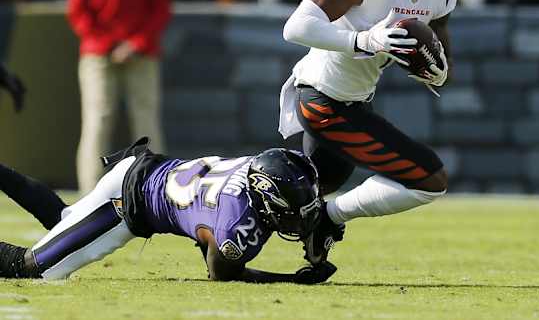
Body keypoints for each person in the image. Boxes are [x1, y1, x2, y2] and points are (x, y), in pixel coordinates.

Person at [278, 0, 457, 264]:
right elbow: (295, 27)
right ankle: (328, 218)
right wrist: (364, 41)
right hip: (323, 97)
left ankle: (219, 198)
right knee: (429, 179)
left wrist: (437, 71)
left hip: (355, 100)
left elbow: (439, 48)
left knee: (305, 188)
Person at [0, 137, 337, 284]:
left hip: (143, 167)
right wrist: (292, 279)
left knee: (64, 220)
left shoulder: (262, 166)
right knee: (31, 268)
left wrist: (316, 225)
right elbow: (222, 273)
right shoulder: (235, 226)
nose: (300, 216)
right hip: (127, 204)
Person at [67, 0, 171, 194]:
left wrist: (108, 42)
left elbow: (78, 13)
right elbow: (160, 12)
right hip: (140, 52)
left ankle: (88, 195)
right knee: (146, 121)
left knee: (96, 123)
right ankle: (155, 189)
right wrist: (133, 43)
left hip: (98, 53)